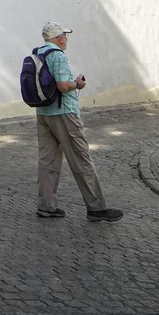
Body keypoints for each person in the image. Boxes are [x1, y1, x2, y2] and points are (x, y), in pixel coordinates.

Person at [34, 22, 123, 222]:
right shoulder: (57, 55)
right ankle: (97, 208)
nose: (66, 39)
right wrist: (78, 84)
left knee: (47, 160)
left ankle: (46, 206)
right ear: (60, 38)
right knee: (81, 158)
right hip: (64, 112)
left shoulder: (38, 52)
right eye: (65, 35)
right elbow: (63, 86)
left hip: (43, 112)